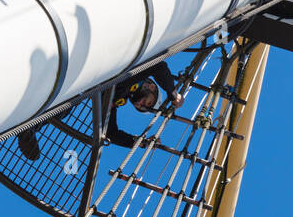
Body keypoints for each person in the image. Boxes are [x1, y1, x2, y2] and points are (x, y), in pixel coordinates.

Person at [17, 61, 183, 160]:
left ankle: (31, 127)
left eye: (140, 108)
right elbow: (160, 67)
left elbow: (111, 132)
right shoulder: (141, 68)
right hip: (94, 65)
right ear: (152, 86)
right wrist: (172, 92)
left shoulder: (116, 99)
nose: (140, 104)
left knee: (67, 106)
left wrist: (139, 142)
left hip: (81, 82)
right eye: (148, 102)